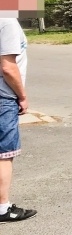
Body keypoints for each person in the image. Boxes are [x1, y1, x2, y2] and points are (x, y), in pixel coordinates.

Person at [0, 18, 36, 222]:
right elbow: (8, 67)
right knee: (4, 153)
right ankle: (2, 208)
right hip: (3, 95)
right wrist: (22, 96)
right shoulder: (7, 22)